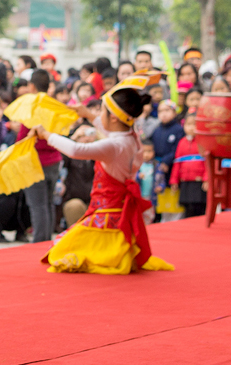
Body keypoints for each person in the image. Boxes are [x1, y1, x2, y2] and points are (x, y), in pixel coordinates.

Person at [36, 75, 174, 274]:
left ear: (114, 117)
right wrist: (87, 115)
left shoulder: (113, 145)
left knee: (60, 250)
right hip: (118, 212)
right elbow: (113, 131)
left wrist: (46, 135)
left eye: (101, 111)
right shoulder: (132, 137)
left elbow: (76, 150)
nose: (98, 115)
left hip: (107, 215)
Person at [20, 69, 63, 243]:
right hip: (54, 160)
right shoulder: (54, 106)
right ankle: (46, 241)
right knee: (48, 203)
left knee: (37, 205)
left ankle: (39, 241)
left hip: (35, 161)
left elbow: (23, 137)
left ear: (31, 86)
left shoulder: (32, 107)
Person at [169, 114, 207, 217]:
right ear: (183, 126)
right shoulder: (181, 142)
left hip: (199, 182)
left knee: (200, 207)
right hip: (185, 181)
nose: (191, 127)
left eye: (194, 124)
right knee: (187, 207)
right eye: (188, 124)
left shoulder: (203, 142)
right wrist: (174, 180)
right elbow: (177, 163)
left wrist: (206, 179)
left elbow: (207, 163)